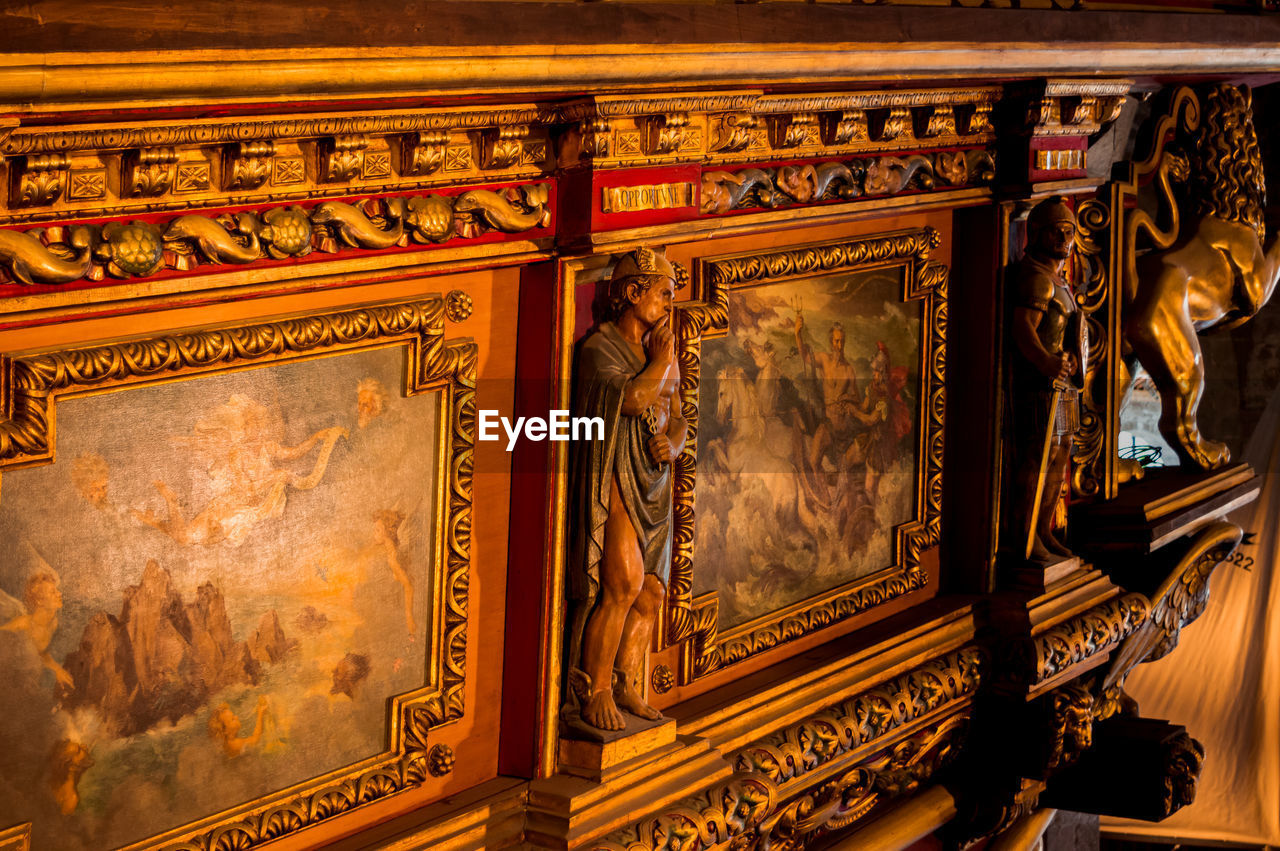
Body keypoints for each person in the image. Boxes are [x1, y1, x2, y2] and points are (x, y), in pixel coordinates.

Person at [567, 246, 687, 733]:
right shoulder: (601, 350)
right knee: (621, 585)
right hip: (615, 475)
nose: (667, 305)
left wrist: (673, 445)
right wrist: (660, 359)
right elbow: (635, 400)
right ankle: (592, 689)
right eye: (662, 294)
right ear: (633, 294)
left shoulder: (662, 353)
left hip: (655, 481)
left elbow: (678, 413)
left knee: (652, 594)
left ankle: (624, 682)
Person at [1010, 197, 1083, 562]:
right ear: (1036, 232)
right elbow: (1024, 328)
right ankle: (1026, 539)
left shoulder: (1059, 280)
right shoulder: (1038, 280)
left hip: (1062, 383)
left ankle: (1043, 530)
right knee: (1041, 456)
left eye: (1069, 231)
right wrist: (1044, 362)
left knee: (1063, 452)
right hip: (1040, 384)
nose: (1064, 238)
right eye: (1057, 230)